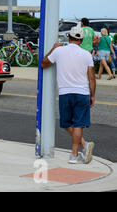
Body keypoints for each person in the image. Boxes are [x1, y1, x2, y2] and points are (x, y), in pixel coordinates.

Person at [41, 26, 96, 164]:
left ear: (69, 37)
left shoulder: (59, 51)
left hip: (65, 92)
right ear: (82, 40)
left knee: (66, 123)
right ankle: (75, 154)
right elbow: (92, 78)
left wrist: (53, 48)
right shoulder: (87, 54)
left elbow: (44, 64)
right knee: (78, 124)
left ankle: (81, 149)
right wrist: (92, 95)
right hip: (82, 92)